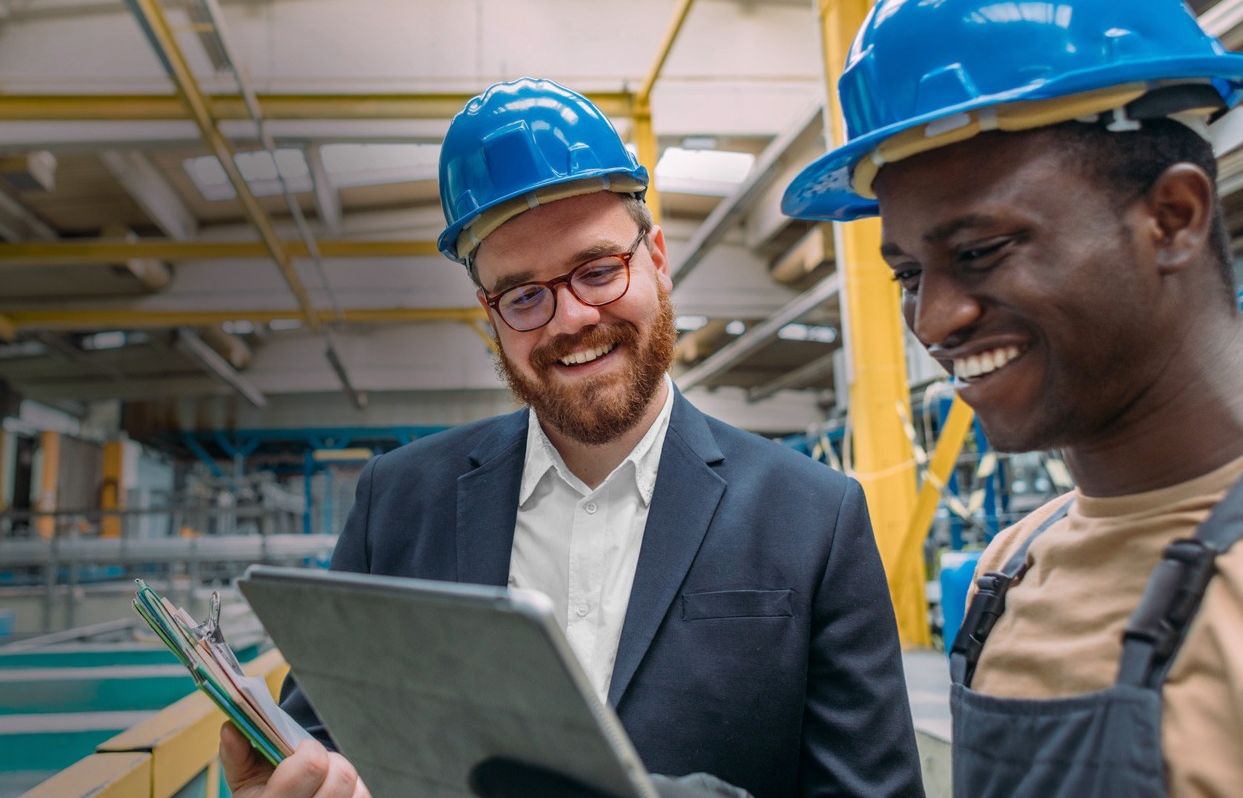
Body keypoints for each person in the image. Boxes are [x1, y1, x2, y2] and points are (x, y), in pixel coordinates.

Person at [223, 78, 923, 798]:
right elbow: (331, 741)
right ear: (488, 315)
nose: (570, 320)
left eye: (597, 270)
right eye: (524, 296)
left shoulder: (814, 517)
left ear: (656, 260)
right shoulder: (398, 505)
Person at [779, 0, 1243, 798]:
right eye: (910, 275)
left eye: (982, 250)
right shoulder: (1009, 570)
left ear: (1173, 218)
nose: (935, 319)